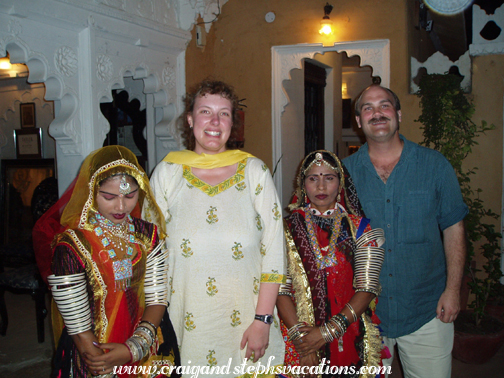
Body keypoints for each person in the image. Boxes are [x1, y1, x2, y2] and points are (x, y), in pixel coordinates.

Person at [145, 79, 286, 376]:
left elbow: (274, 250)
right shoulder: (168, 173)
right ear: (190, 119)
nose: (214, 121)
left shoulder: (254, 172)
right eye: (205, 111)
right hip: (184, 321)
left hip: (247, 324)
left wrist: (263, 320)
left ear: (232, 122)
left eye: (224, 113)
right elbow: (151, 253)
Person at [344, 85, 468, 378]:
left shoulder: (434, 165)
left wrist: (452, 290)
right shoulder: (343, 173)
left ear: (398, 114)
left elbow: (454, 228)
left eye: (385, 106)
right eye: (368, 108)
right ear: (359, 122)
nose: (377, 113)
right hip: (366, 314)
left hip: (427, 309)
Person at [46, 145, 179, 377]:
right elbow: (76, 323)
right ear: (91, 191)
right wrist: (100, 364)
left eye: (130, 196)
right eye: (109, 197)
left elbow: (158, 297)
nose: (121, 206)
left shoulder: (148, 236)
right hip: (91, 347)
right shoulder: (72, 245)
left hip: (145, 337)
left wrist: (134, 348)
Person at [277, 150, 386, 377]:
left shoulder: (361, 229)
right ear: (303, 184)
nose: (321, 186)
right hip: (298, 334)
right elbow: (279, 287)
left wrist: (326, 332)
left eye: (329, 178)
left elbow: (367, 288)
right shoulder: (284, 229)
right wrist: (303, 343)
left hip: (348, 333)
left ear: (340, 183)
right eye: (313, 178)